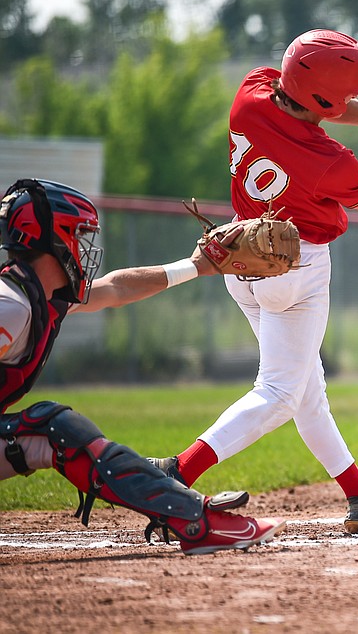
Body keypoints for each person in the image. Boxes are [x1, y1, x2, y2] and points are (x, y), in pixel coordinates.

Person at [149, 29, 358, 535]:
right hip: (297, 272)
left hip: (240, 261)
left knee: (307, 390)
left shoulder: (251, 92)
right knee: (280, 392)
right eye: (350, 94)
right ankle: (174, 473)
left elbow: (326, 106)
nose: (355, 102)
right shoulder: (328, 158)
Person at [0, 178, 285, 555]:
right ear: (51, 238)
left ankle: (191, 517)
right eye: (78, 235)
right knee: (54, 427)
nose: (85, 249)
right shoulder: (12, 304)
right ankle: (196, 522)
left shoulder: (39, 297)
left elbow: (116, 288)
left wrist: (197, 266)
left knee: (53, 432)